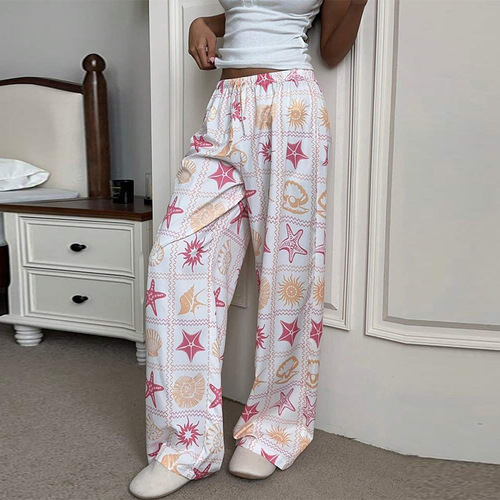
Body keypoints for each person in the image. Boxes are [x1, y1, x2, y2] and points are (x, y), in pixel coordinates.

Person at [130, 1, 368, 498]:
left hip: (289, 107)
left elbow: (331, 46)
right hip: (224, 106)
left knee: (288, 274)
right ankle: (186, 443)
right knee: (174, 261)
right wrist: (203, 22)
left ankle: (274, 427)